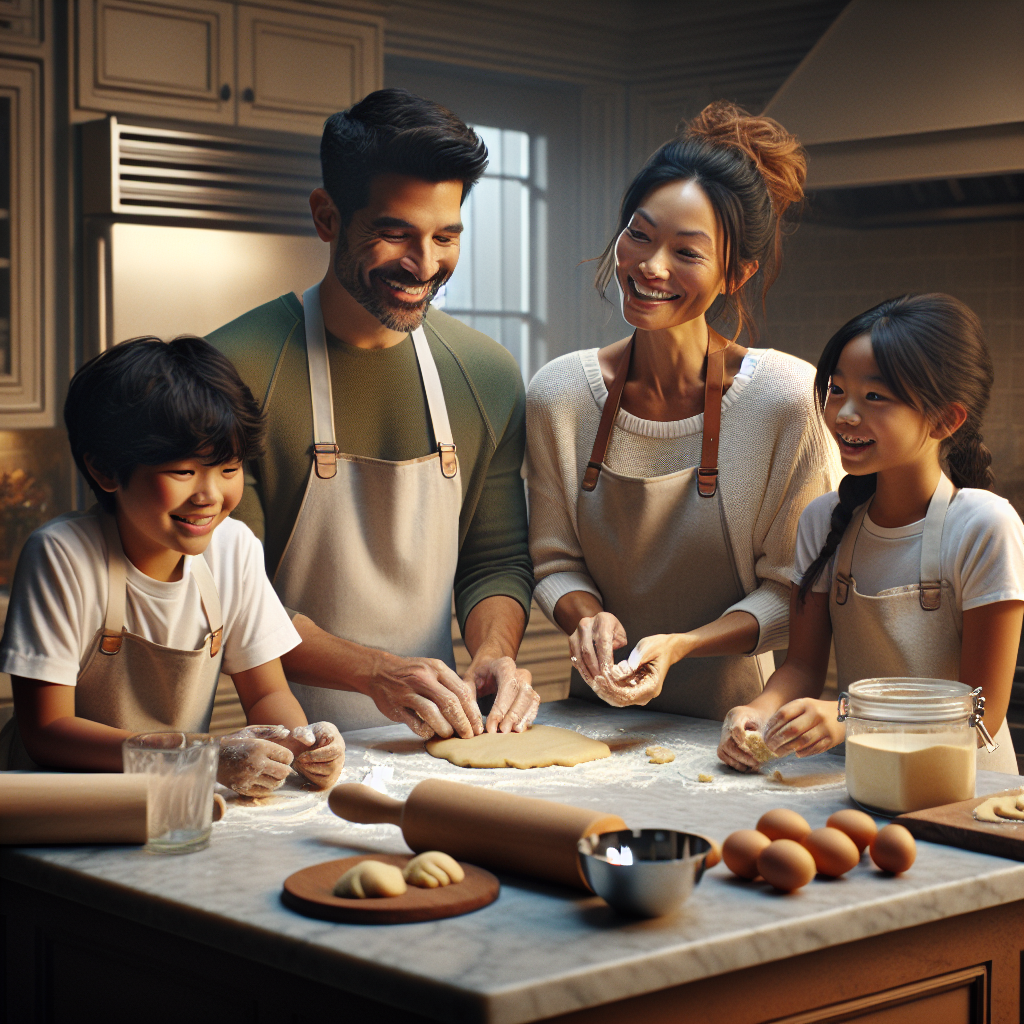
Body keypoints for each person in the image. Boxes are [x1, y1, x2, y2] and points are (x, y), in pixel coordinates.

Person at [208, 89, 537, 740]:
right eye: (395, 233)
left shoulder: (487, 375)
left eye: (445, 236)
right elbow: (231, 597)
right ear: (327, 217)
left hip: (437, 746)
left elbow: (493, 561)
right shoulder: (231, 370)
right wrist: (376, 673)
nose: (424, 265)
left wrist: (495, 652)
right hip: (288, 753)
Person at [526, 101, 840, 718]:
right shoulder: (559, 394)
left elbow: (792, 591)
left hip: (736, 727)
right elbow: (553, 561)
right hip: (594, 724)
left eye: (687, 252)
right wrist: (587, 619)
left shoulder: (787, 400)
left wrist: (684, 646)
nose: (650, 266)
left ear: (736, 274)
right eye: (638, 235)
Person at [0, 337, 346, 796]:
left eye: (228, 468)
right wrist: (198, 759)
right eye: (183, 472)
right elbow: (47, 731)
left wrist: (297, 745)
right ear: (105, 470)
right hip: (59, 809)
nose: (209, 495)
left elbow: (266, 693)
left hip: (170, 800)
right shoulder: (62, 556)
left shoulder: (234, 548)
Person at [718, 294, 1023, 774]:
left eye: (874, 397)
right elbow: (800, 668)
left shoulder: (986, 527)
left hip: (969, 794)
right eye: (837, 390)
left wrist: (851, 719)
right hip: (863, 779)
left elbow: (980, 717)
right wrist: (757, 712)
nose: (844, 414)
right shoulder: (823, 521)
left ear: (946, 419)